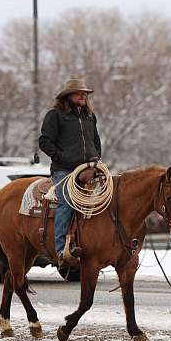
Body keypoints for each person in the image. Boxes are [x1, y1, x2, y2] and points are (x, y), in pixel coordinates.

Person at [38, 78, 102, 267]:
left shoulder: (90, 116)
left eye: (85, 93)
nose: (83, 96)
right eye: (79, 93)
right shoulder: (55, 115)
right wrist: (63, 158)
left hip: (89, 169)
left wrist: (95, 159)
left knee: (106, 201)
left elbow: (96, 141)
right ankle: (60, 251)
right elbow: (45, 142)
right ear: (68, 96)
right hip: (64, 170)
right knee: (67, 201)